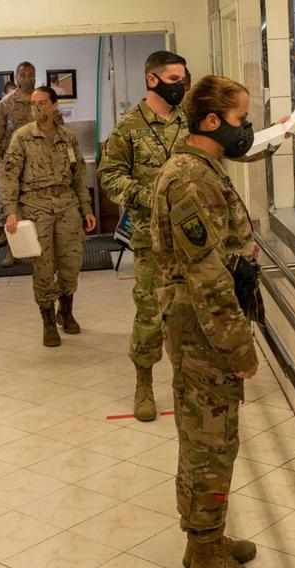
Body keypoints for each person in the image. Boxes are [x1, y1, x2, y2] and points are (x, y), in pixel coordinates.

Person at [150, 75, 259, 568]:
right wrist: (238, 346)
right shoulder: (190, 179)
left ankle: (209, 539)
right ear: (212, 121)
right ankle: (202, 551)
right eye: (240, 120)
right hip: (203, 330)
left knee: (215, 440)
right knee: (208, 445)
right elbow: (206, 274)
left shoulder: (203, 166)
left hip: (205, 326)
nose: (245, 130)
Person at [99, 50, 189, 421]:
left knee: (189, 312)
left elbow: (223, 151)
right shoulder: (128, 127)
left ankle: (187, 383)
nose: (181, 87)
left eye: (184, 80)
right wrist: (148, 196)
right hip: (151, 238)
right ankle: (144, 384)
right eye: (173, 80)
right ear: (151, 80)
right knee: (151, 313)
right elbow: (110, 177)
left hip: (191, 237)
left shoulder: (192, 122)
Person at [0, 86, 96, 347]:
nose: (37, 107)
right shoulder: (22, 138)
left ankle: (65, 311)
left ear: (54, 106)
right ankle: (47, 320)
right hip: (35, 206)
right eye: (33, 103)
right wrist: (11, 211)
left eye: (42, 102)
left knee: (70, 263)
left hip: (67, 205)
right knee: (43, 266)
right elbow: (9, 177)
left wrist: (86, 208)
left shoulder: (68, 138)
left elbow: (78, 177)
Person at [0, 62, 38, 267]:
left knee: (38, 207)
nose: (27, 78)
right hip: (12, 165)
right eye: (23, 74)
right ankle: (13, 251)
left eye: (31, 74)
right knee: (12, 208)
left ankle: (38, 251)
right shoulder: (7, 103)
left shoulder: (41, 100)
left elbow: (57, 128)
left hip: (39, 164)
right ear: (17, 78)